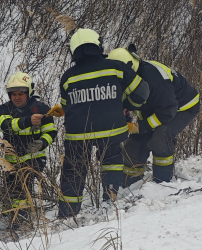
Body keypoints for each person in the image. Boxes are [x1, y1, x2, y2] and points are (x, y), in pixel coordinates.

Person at [57, 29, 150, 218]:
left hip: (77, 134)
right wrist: (127, 106)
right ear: (98, 45)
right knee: (111, 161)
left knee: (73, 170)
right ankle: (110, 202)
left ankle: (67, 215)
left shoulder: (68, 77)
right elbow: (142, 92)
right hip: (111, 130)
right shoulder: (116, 68)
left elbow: (66, 106)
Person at [109, 46, 200, 184]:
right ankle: (129, 185)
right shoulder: (126, 76)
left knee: (161, 137)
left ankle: (162, 183)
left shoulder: (154, 78)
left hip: (181, 107)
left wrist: (142, 127)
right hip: (155, 109)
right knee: (132, 147)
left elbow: (167, 110)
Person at [0, 71, 57, 228]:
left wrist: (42, 143)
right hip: (10, 161)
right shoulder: (3, 110)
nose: (16, 97)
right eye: (13, 94)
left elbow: (51, 132)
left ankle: (19, 220)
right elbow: (6, 125)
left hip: (34, 158)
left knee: (21, 186)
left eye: (20, 94)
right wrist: (27, 121)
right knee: (10, 188)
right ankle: (9, 212)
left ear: (29, 92)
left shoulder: (42, 108)